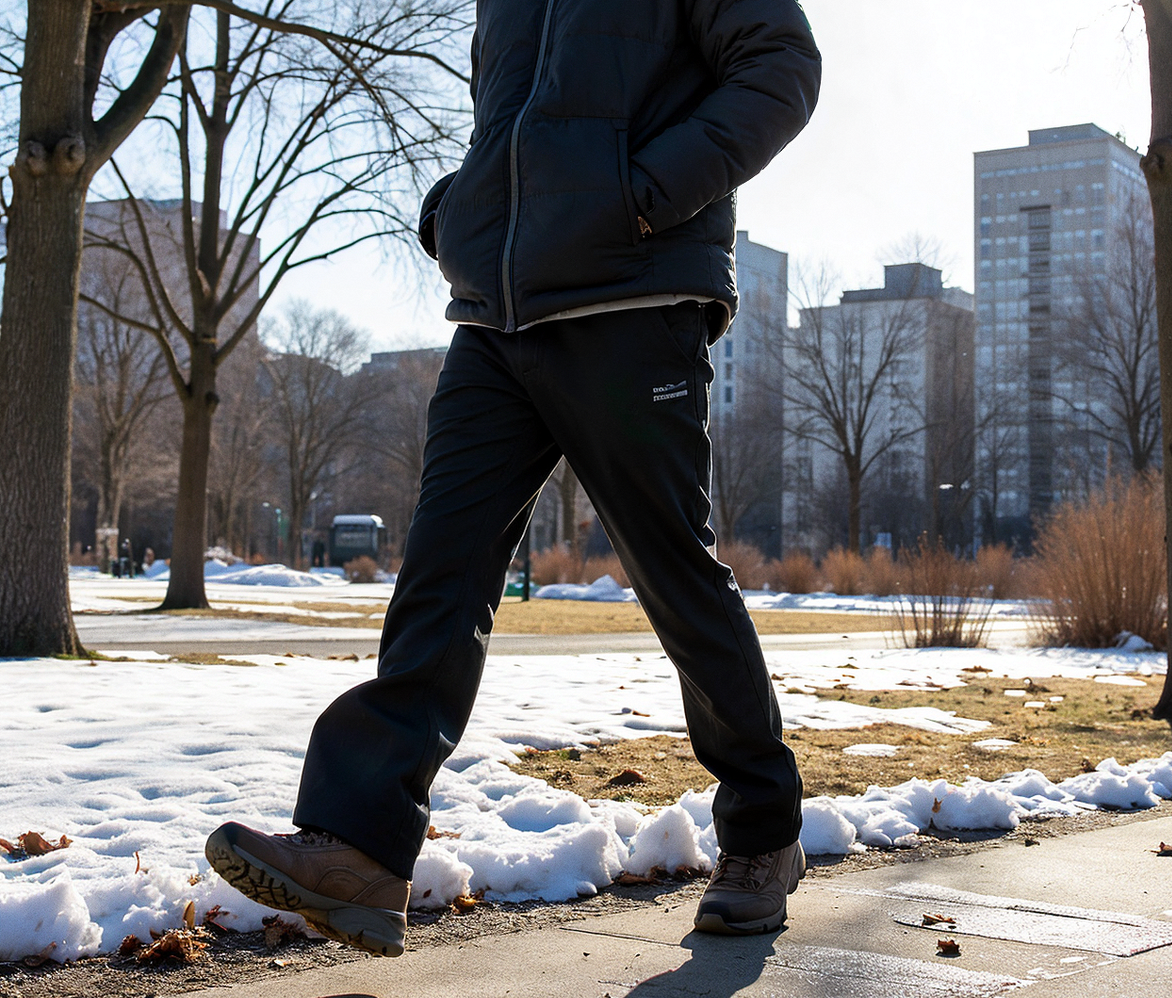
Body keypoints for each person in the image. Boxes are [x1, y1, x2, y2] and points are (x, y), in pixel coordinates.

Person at [206, 0, 820, 958]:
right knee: (438, 576)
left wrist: (643, 194)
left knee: (674, 577)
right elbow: (519, 123)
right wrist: (462, 207)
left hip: (633, 295)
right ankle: (360, 849)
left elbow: (782, 69)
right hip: (497, 314)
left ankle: (762, 838)